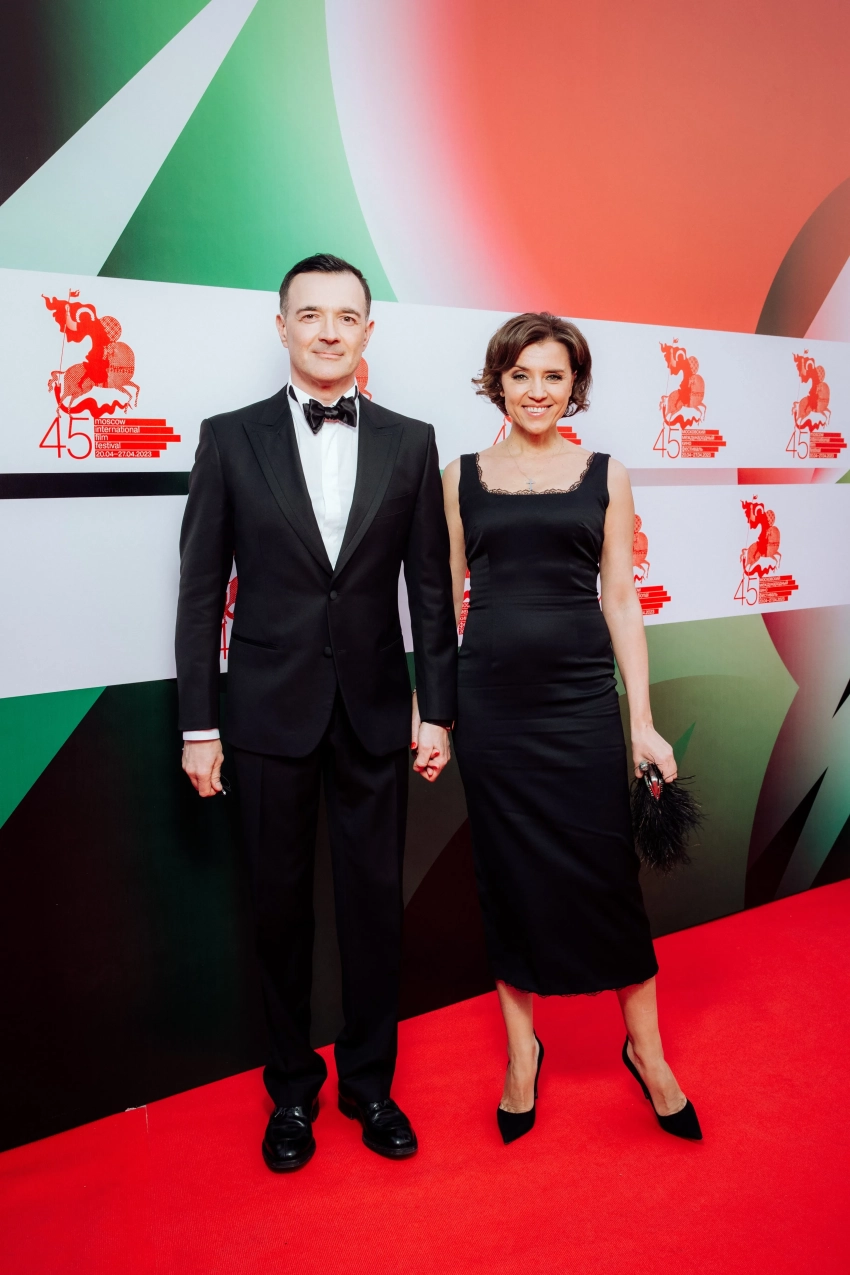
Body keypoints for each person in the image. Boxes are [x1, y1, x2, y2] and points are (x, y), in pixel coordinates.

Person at [176, 254, 457, 1172]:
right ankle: (291, 1091)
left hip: (376, 713)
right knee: (278, 911)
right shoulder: (229, 438)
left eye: (346, 316)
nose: (329, 331)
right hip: (264, 715)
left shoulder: (411, 442)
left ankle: (371, 1084)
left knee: (375, 908)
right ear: (283, 326)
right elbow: (199, 591)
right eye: (311, 314)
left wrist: (437, 711)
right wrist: (199, 725)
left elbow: (430, 590)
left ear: (368, 330)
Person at [442, 312, 701, 1145]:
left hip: (582, 703)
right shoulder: (458, 477)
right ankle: (523, 1052)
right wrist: (432, 711)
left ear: (573, 386)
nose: (537, 390)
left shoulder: (605, 474)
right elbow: (443, 602)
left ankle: (647, 1051)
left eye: (553, 375)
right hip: (491, 709)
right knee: (506, 873)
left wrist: (642, 722)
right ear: (498, 382)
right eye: (521, 374)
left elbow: (621, 598)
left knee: (607, 874)